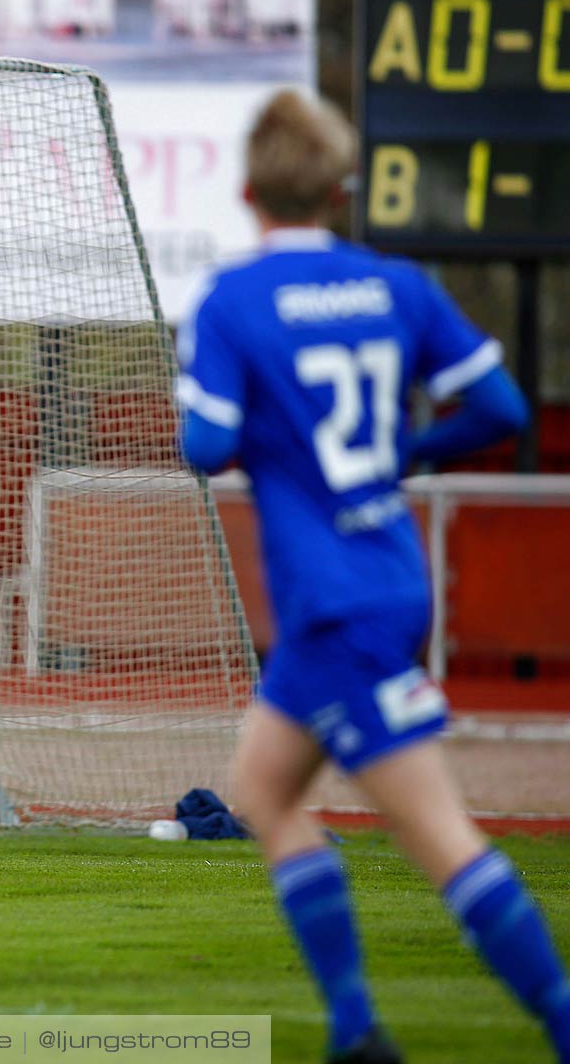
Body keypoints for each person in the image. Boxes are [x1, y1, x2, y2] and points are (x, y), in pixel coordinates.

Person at [177, 89, 568, 1064]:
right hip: (383, 572)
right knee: (263, 790)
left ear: (246, 189)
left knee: (440, 836)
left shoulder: (231, 299)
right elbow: (500, 403)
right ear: (341, 190)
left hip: (333, 600)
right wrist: (402, 455)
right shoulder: (395, 285)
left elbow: (205, 442)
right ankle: (355, 1031)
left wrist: (239, 409)